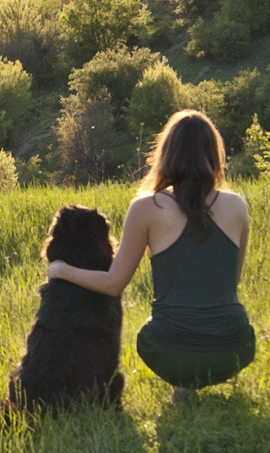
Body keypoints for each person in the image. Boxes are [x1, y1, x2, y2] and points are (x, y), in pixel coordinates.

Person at [45, 110, 255, 397]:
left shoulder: (147, 208)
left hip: (167, 351)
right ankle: (196, 378)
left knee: (154, 335)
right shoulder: (237, 206)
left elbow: (113, 284)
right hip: (236, 347)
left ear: (166, 154)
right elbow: (232, 280)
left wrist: (61, 270)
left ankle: (184, 381)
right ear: (214, 154)